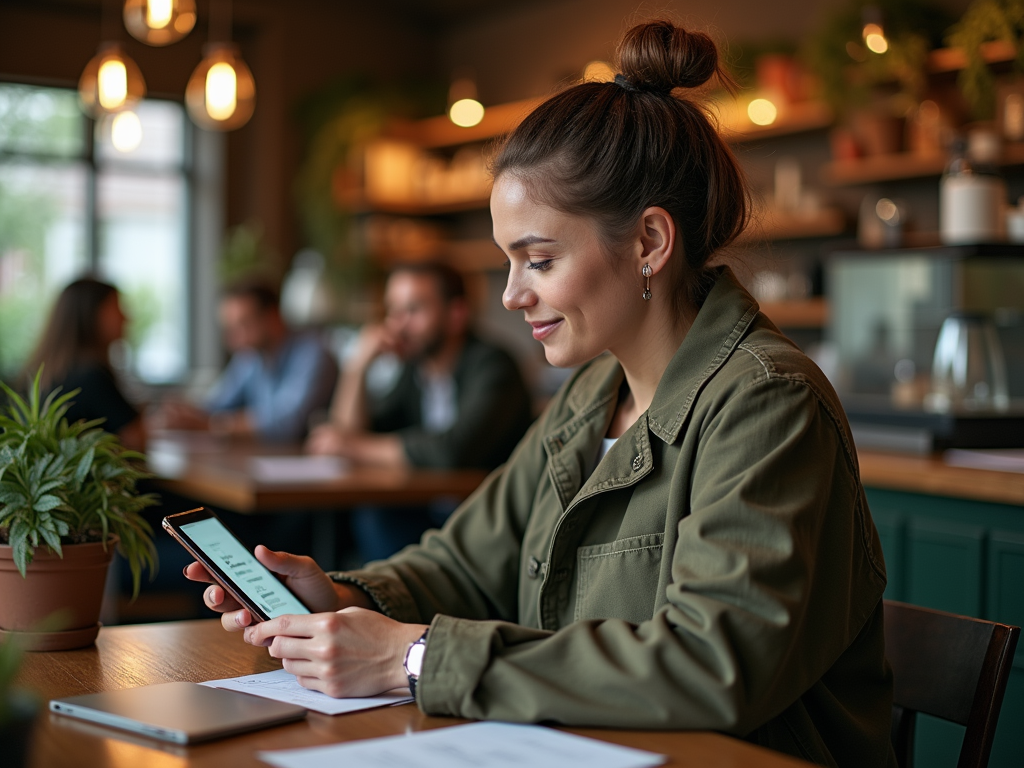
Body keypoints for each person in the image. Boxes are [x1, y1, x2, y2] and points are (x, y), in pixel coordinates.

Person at [186, 20, 896, 767]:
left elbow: (709, 665)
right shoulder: (592, 393)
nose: (511, 296)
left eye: (539, 260)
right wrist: (340, 598)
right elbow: (463, 564)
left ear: (650, 243)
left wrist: (415, 659)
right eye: (507, 263)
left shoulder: (767, 404)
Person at [306, 261, 533, 559]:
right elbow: (359, 432)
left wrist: (354, 446)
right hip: (435, 515)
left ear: (456, 315)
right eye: (393, 311)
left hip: (491, 526)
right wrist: (358, 366)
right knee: (343, 522)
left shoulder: (493, 366)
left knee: (371, 521)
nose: (397, 325)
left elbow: (453, 450)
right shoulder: (416, 371)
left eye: (413, 311)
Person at [155, 279, 338, 442]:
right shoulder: (250, 357)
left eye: (243, 325)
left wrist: (212, 425)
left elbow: (287, 424)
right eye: (230, 328)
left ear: (273, 317)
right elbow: (217, 405)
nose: (233, 339)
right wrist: (185, 413)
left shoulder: (313, 351)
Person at [20, 278, 145, 451]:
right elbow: (136, 439)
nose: (126, 317)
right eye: (117, 308)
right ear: (92, 314)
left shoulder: (47, 373)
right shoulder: (91, 377)